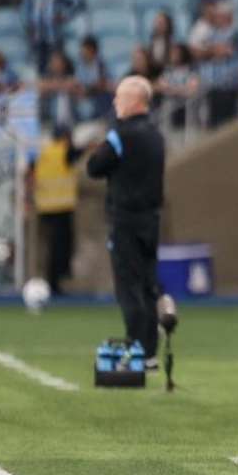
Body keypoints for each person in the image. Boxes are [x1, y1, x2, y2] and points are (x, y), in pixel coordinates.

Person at [87, 76, 165, 370]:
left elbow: (94, 166)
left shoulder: (121, 135)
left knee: (129, 287)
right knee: (147, 285)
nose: (115, 102)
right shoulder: (157, 134)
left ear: (134, 101)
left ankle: (136, 351)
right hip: (151, 219)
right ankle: (151, 352)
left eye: (119, 97)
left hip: (126, 220)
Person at [33, 124, 82, 295]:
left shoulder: (45, 152)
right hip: (61, 207)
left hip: (44, 207)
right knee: (61, 247)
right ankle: (56, 282)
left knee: (51, 246)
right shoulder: (65, 151)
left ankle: (53, 280)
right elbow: (79, 152)